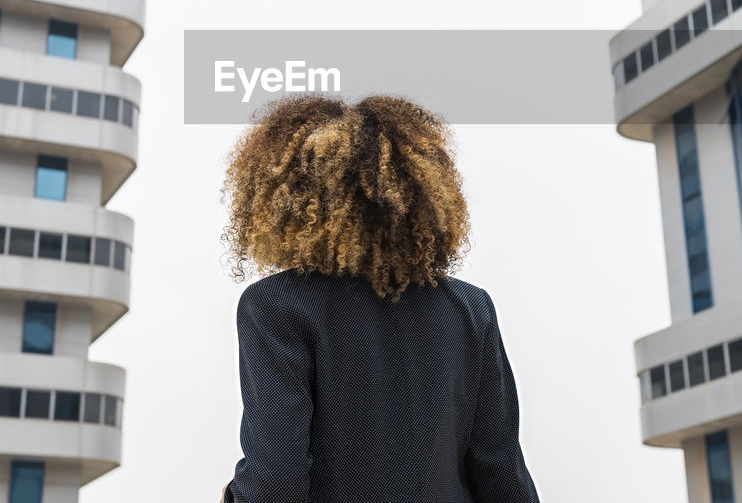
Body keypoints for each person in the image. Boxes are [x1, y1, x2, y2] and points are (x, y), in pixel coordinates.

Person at [218, 94, 540, 503]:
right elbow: (503, 478)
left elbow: (277, 484)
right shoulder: (470, 310)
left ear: (286, 198)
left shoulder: (276, 306)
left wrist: (234, 495)